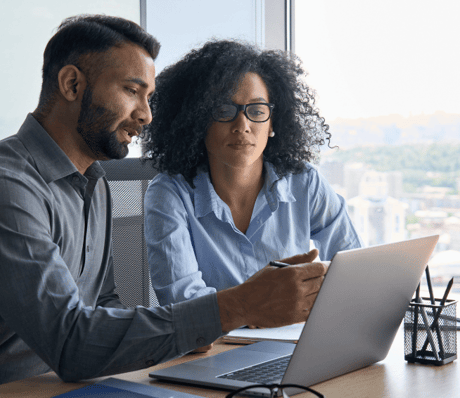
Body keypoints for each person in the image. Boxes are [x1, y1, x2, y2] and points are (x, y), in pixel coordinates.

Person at [0, 15, 326, 397]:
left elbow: (103, 305)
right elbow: (71, 344)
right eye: (131, 91)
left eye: (149, 96)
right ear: (71, 85)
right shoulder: (0, 189)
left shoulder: (93, 183)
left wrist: (188, 328)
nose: (146, 115)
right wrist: (236, 306)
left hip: (68, 386)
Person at [141, 40, 361, 313]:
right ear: (197, 121)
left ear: (272, 124)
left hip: (294, 341)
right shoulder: (169, 194)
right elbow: (184, 306)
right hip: (215, 349)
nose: (242, 125)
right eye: (223, 111)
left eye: (257, 111)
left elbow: (353, 270)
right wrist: (262, 308)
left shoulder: (305, 182)